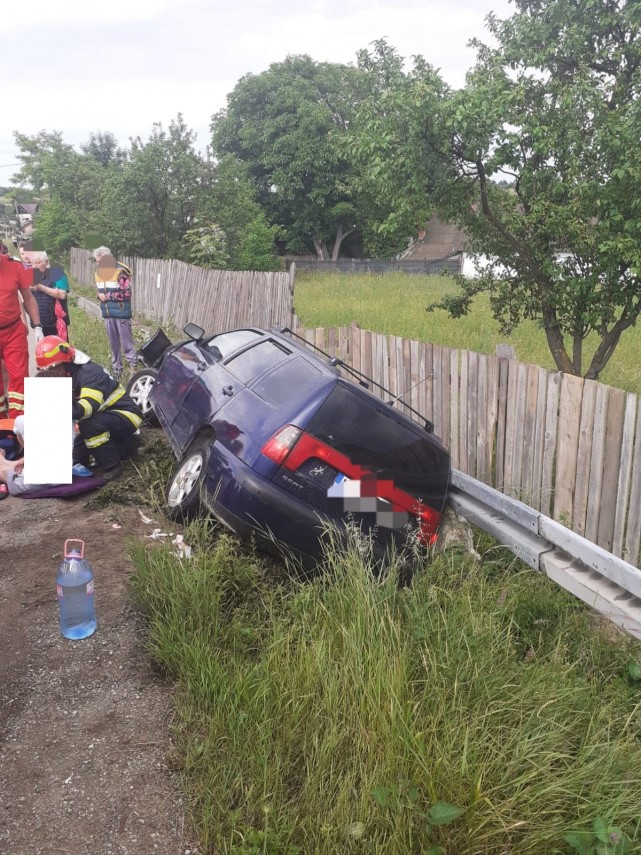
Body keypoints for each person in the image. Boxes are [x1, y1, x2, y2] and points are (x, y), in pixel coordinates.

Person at [35, 335, 143, 481]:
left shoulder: (89, 374)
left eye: (53, 368)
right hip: (105, 415)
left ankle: (112, 465)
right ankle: (126, 446)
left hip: (126, 414)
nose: (51, 374)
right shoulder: (70, 374)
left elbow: (85, 410)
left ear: (66, 362)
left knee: (89, 427)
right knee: (77, 456)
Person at [0, 253, 44, 419]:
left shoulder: (15, 266)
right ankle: (2, 423)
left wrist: (37, 326)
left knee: (19, 377)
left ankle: (19, 423)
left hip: (13, 331)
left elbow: (28, 298)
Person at [93, 246, 137, 379]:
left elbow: (126, 293)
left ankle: (133, 369)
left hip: (121, 312)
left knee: (126, 343)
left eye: (100, 261)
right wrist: (98, 295)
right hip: (107, 314)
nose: (98, 264)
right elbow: (101, 291)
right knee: (113, 343)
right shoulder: (99, 273)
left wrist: (107, 297)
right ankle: (117, 368)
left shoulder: (120, 272)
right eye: (97, 261)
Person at [31, 252, 71, 340]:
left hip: (56, 325)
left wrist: (41, 287)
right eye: (33, 263)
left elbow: (62, 294)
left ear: (47, 261)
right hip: (40, 325)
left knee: (59, 351)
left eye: (38, 263)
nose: (35, 266)